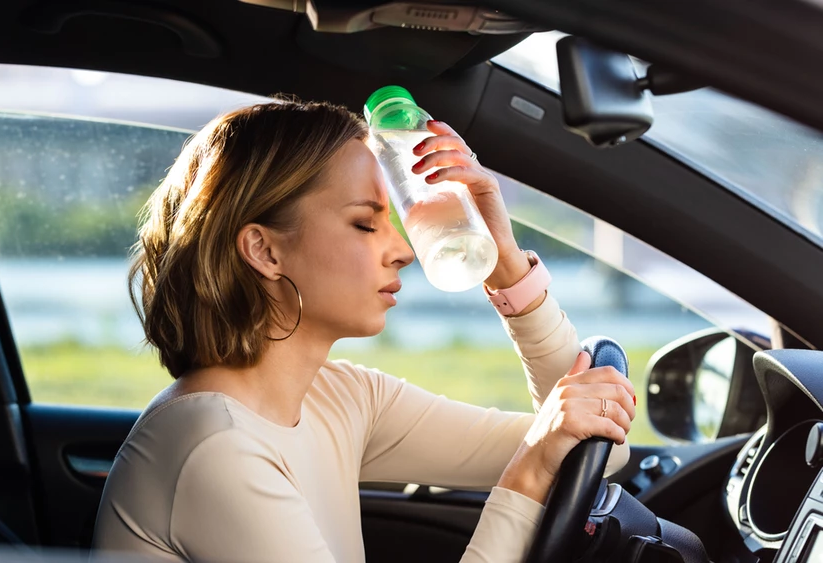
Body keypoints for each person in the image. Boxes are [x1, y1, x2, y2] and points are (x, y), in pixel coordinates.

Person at [91, 99, 636, 562]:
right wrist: (531, 471)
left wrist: (506, 263)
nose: (401, 252)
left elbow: (596, 450)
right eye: (364, 223)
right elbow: (549, 457)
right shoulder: (214, 447)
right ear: (264, 249)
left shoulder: (342, 398)